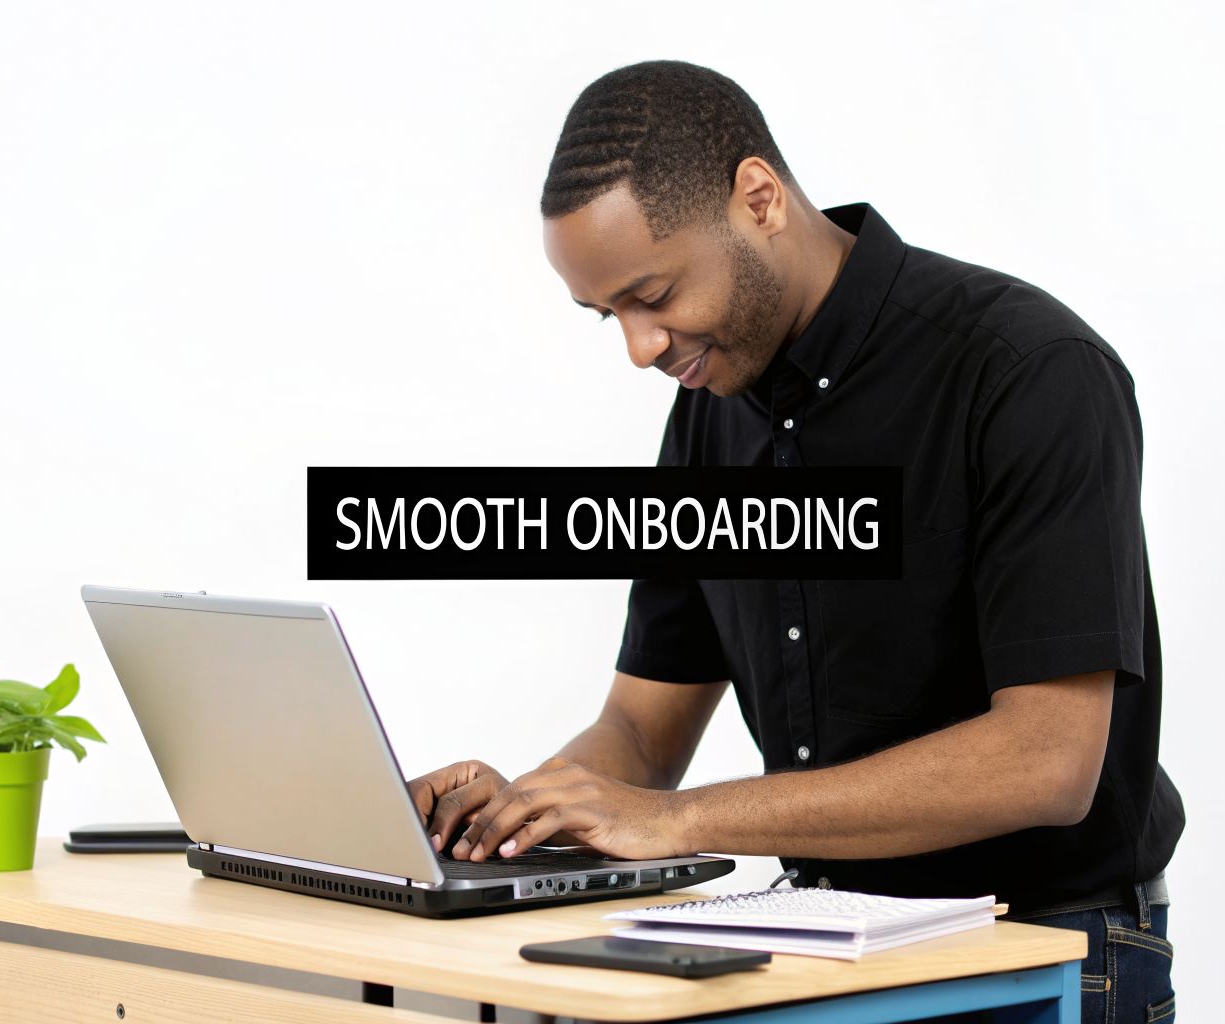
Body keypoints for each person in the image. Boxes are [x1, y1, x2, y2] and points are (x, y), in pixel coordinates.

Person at [408, 60, 1183, 1022]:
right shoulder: (709, 414)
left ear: (759, 199)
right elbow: (643, 735)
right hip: (820, 954)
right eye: (609, 316)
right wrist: (518, 819)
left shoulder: (1027, 371)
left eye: (653, 295)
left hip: (1043, 956)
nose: (639, 349)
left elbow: (1047, 762)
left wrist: (679, 819)